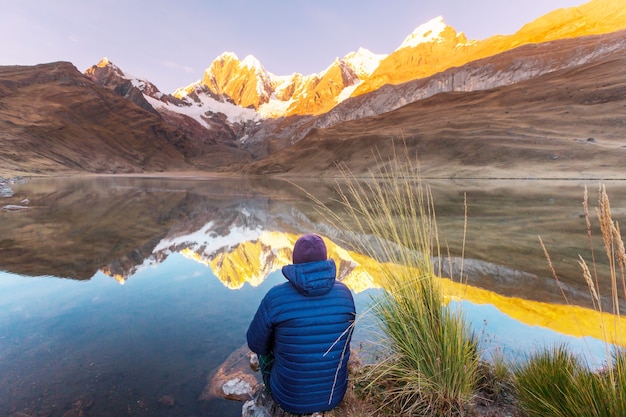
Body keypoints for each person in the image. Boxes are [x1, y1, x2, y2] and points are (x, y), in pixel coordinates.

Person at [247, 234, 356, 415]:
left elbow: (255, 343)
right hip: (333, 396)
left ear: (295, 260)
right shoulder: (345, 293)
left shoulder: (276, 296)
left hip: (288, 400)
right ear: (325, 259)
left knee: (265, 349)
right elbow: (346, 339)